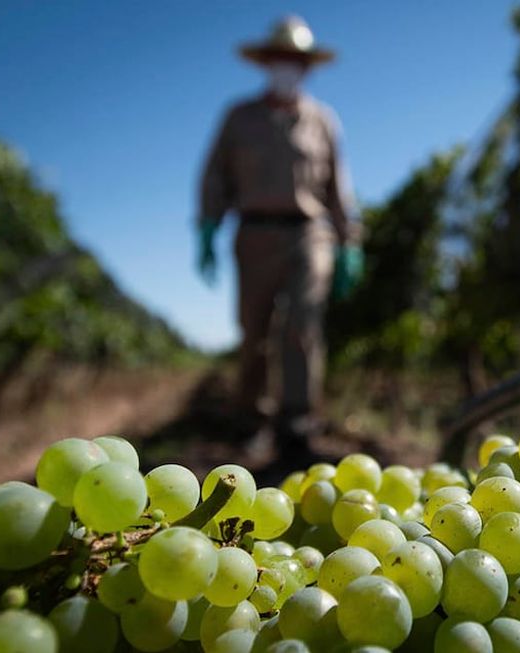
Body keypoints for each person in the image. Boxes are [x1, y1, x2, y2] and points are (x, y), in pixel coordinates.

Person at [197, 16, 362, 457]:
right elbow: (214, 175)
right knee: (255, 330)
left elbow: (338, 188)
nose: (287, 67)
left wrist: (349, 242)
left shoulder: (323, 122)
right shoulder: (239, 118)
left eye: (295, 61)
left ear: (306, 68)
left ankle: (298, 422)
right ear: (266, 63)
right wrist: (208, 227)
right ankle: (251, 418)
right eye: (279, 59)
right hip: (254, 233)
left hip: (309, 233)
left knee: (303, 325)